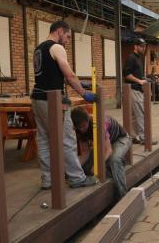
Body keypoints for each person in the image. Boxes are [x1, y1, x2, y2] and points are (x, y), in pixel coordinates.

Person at [31, 20, 97, 190]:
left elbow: (51, 75)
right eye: (67, 36)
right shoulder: (57, 47)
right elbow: (69, 75)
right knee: (67, 140)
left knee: (44, 139)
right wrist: (84, 93)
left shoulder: (39, 49)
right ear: (60, 31)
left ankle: (48, 179)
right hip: (54, 101)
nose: (67, 41)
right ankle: (76, 178)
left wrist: (79, 83)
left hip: (37, 98)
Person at [71, 107, 132, 200]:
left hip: (120, 140)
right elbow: (85, 154)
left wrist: (96, 167)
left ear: (88, 120)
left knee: (114, 160)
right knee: (85, 166)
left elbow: (108, 150)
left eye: (84, 126)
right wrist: (75, 169)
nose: (82, 129)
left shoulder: (99, 124)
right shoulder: (79, 131)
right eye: (79, 127)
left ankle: (123, 196)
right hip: (104, 144)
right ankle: (113, 167)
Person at [123, 37, 157, 145]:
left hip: (138, 89)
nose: (143, 48)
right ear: (135, 47)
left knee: (134, 115)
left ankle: (134, 136)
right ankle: (144, 138)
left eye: (144, 46)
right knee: (141, 114)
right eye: (141, 46)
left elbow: (140, 76)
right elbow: (127, 75)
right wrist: (140, 82)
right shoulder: (131, 58)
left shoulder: (139, 58)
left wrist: (147, 81)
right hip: (134, 89)